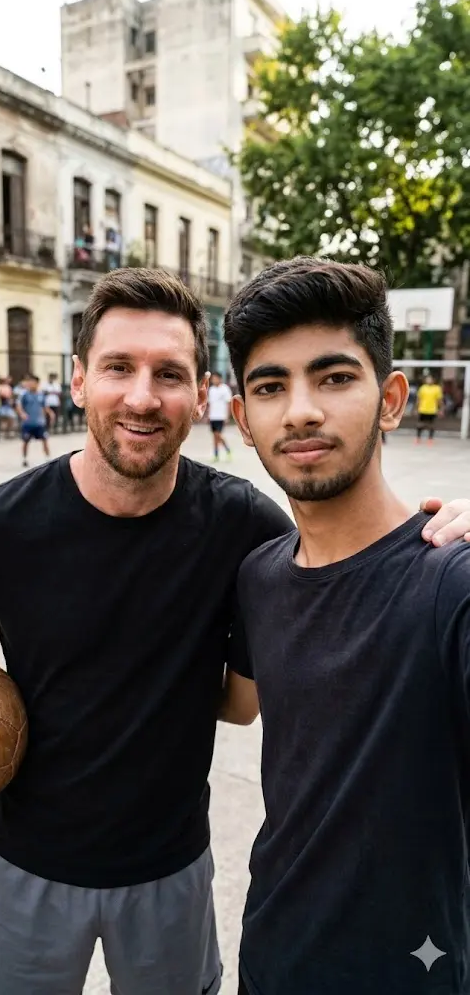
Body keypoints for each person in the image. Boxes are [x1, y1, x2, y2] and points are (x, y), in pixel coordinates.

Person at [0, 269, 469, 995]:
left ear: (201, 396)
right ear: (77, 381)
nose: (141, 396)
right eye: (117, 368)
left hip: (171, 869)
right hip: (27, 865)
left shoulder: (246, 529)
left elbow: (338, 572)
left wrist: (452, 522)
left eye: (169, 373)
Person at [223, 257, 470, 995]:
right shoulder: (258, 576)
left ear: (392, 398)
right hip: (271, 951)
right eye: (271, 387)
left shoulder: (449, 582)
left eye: (334, 378)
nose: (300, 410)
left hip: (413, 973)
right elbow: (236, 704)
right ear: (243, 419)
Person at [17, 374, 53, 467]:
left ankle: (48, 458)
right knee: (25, 441)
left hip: (39, 423)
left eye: (32, 382)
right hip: (28, 423)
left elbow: (45, 407)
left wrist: (50, 413)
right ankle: (24, 459)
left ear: (37, 383)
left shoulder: (41, 395)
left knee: (45, 439)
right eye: (29, 382)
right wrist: (22, 414)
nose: (30, 384)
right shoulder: (24, 395)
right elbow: (19, 406)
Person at [208, 370, 233, 462]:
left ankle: (227, 450)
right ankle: (216, 454)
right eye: (212, 379)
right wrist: (208, 415)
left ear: (219, 379)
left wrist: (227, 416)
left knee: (218, 435)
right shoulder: (211, 390)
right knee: (214, 436)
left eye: (215, 378)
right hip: (213, 416)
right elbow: (210, 404)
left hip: (221, 416)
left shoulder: (225, 389)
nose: (213, 380)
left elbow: (228, 403)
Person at [416, 372, 443, 443]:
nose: (429, 380)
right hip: (423, 409)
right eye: (428, 379)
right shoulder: (422, 388)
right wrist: (416, 408)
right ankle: (418, 438)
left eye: (430, 379)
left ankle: (430, 439)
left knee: (431, 425)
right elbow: (419, 399)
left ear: (433, 380)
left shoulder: (437, 388)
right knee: (420, 424)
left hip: (432, 410)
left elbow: (439, 400)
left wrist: (441, 409)